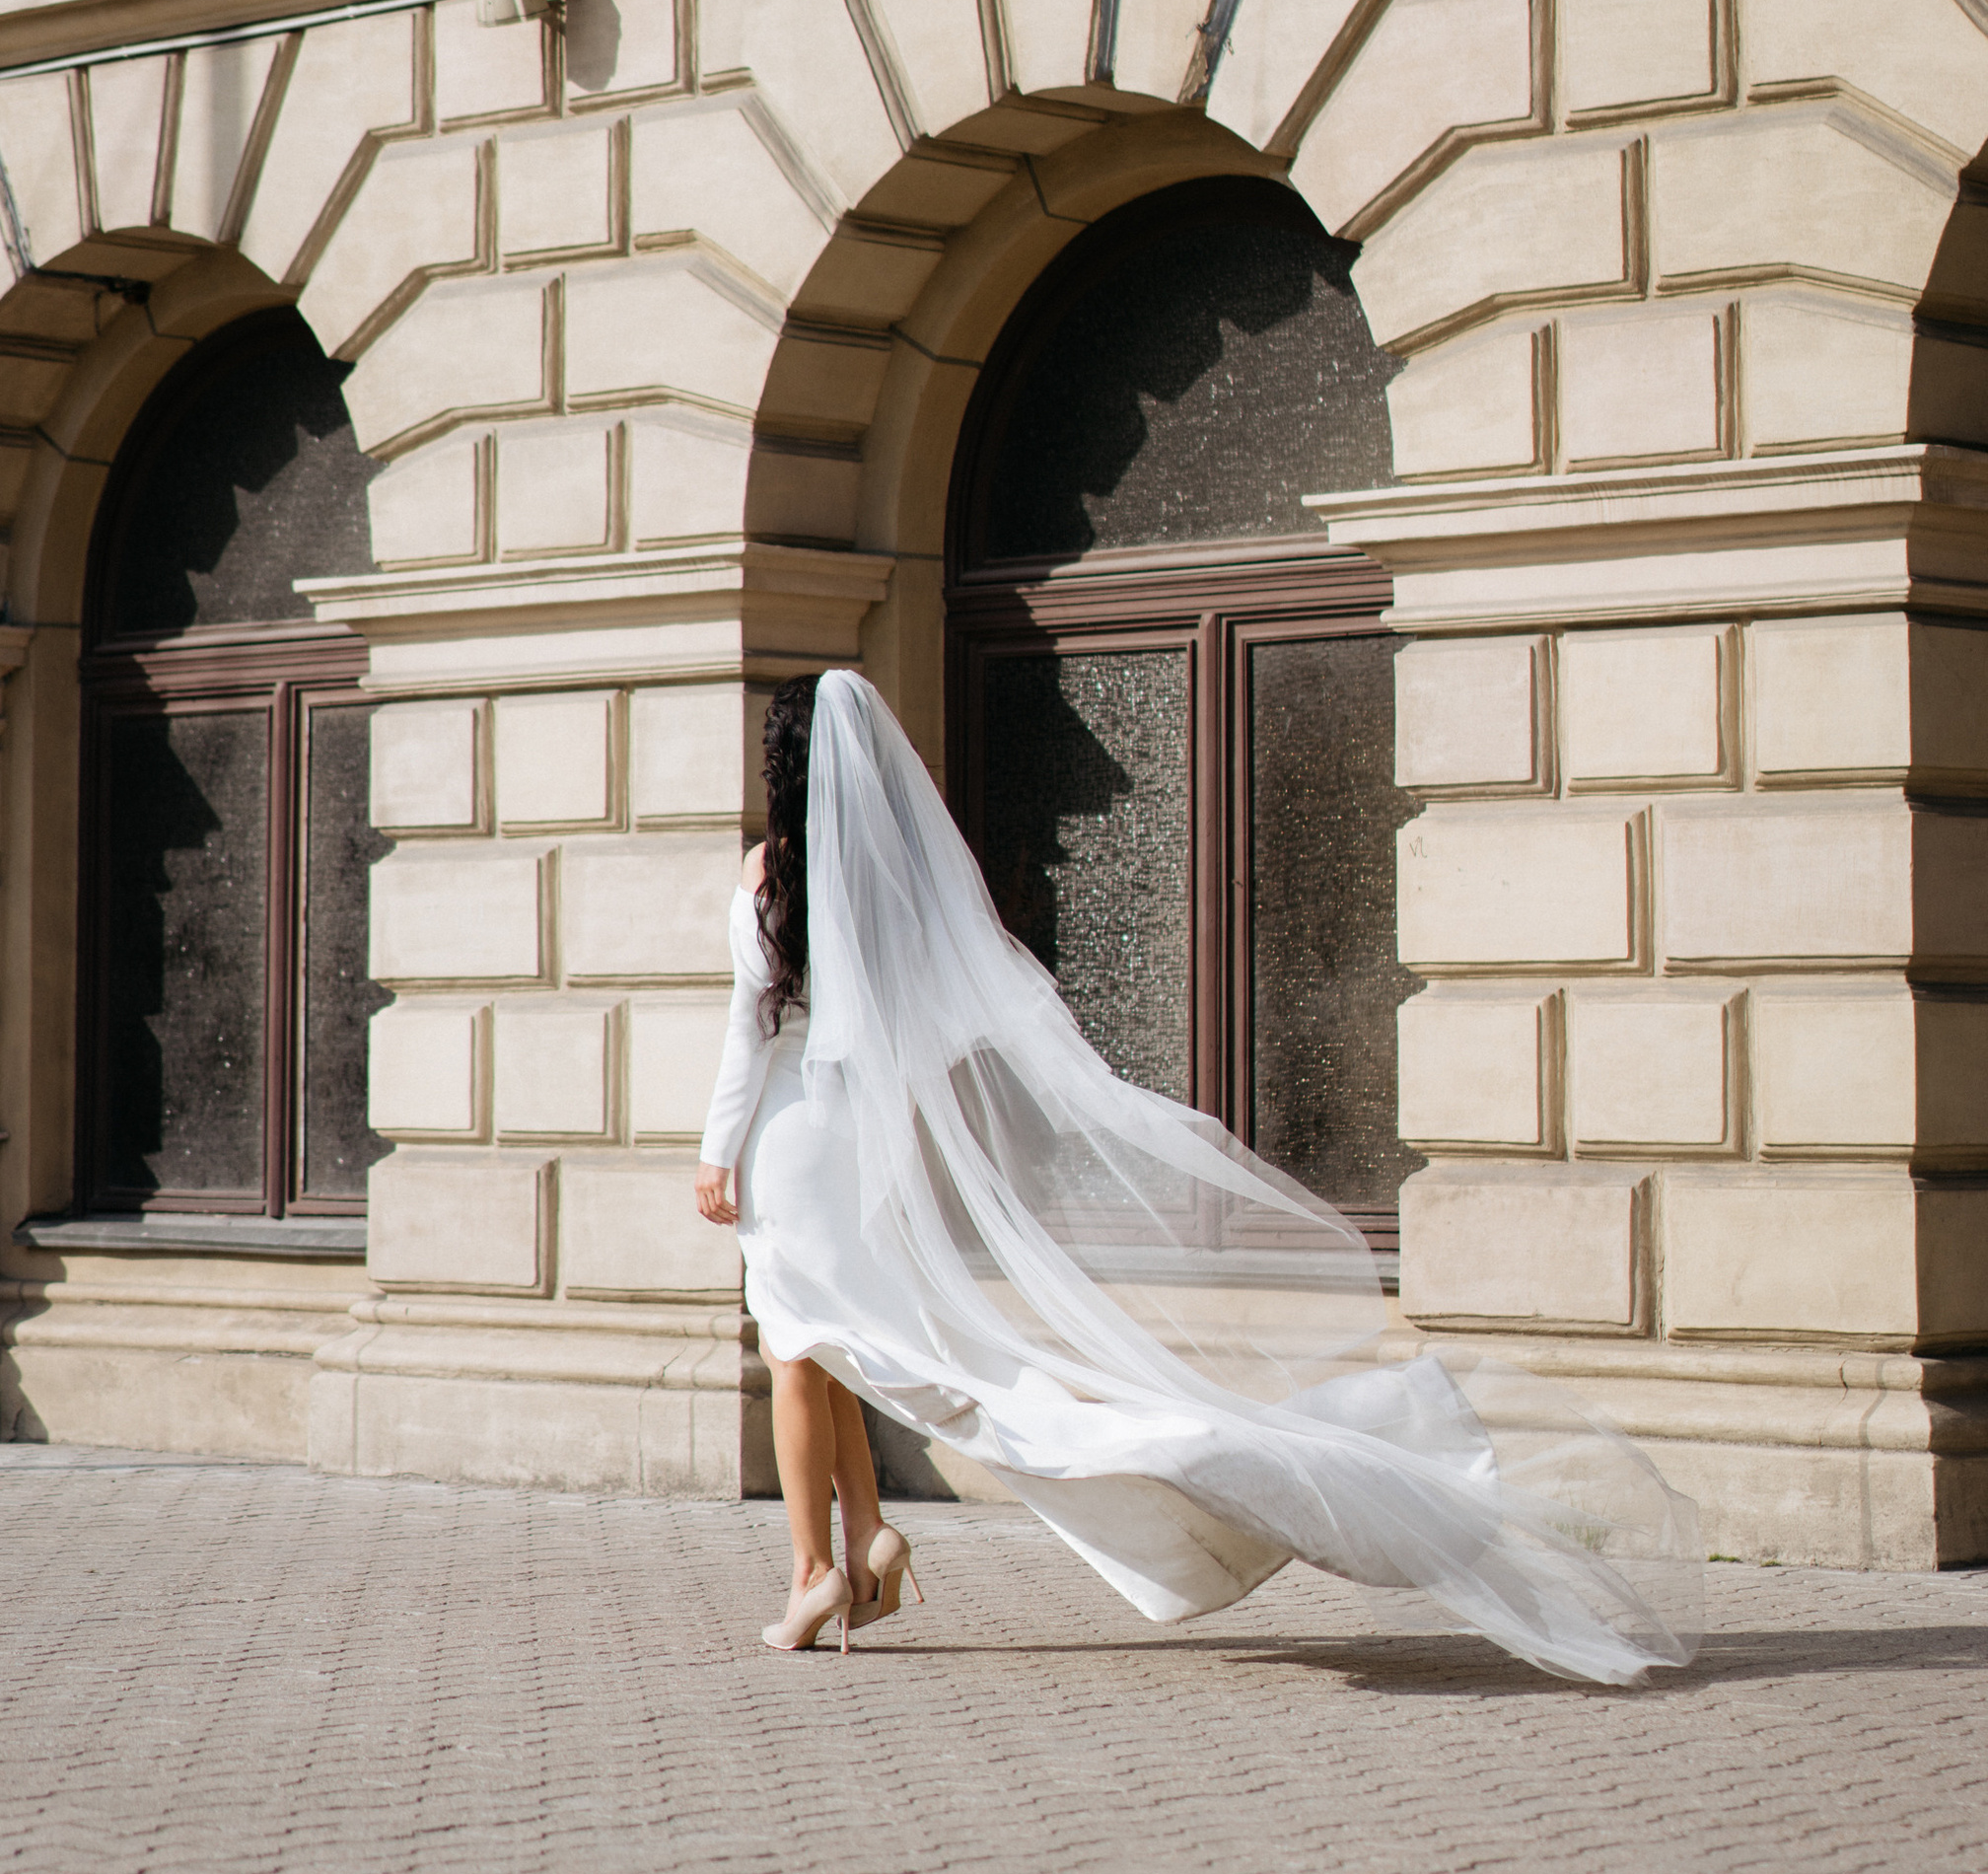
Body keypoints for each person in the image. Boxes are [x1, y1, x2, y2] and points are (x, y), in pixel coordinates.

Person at [695, 669, 1700, 1684]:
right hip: (861, 1142)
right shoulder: (895, 880)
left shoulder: (768, 875)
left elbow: (748, 1035)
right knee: (844, 1343)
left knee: (797, 1347)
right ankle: (868, 1534)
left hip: (788, 1138)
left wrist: (714, 1152)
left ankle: (812, 1571)